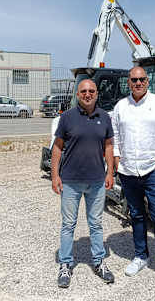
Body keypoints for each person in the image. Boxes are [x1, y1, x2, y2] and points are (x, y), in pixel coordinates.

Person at [111, 66, 155, 288]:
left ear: (148, 81)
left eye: (142, 79)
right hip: (129, 172)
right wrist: (118, 161)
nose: (138, 83)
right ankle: (141, 256)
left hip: (153, 171)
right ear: (128, 82)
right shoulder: (121, 107)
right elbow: (116, 136)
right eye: (134, 80)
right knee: (137, 216)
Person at [51, 79, 115, 288]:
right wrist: (54, 175)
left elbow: (108, 147)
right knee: (68, 225)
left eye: (91, 91)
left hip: (96, 181)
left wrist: (110, 173)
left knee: (96, 224)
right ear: (78, 94)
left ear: (97, 94)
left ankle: (98, 262)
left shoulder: (105, 117)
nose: (88, 94)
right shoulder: (67, 118)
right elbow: (57, 148)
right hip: (70, 181)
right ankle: (65, 265)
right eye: (83, 91)